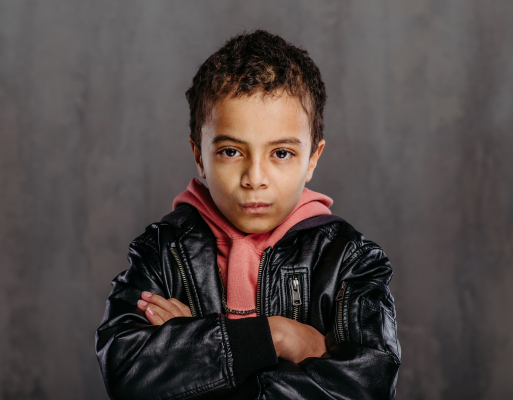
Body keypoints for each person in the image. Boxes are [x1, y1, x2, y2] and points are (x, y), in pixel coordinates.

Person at [95, 29, 401, 400]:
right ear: (199, 156)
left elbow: (368, 386)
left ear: (312, 159)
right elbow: (127, 375)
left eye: (282, 153)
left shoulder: (350, 261)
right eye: (231, 151)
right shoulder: (162, 252)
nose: (255, 179)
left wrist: (197, 348)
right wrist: (275, 336)